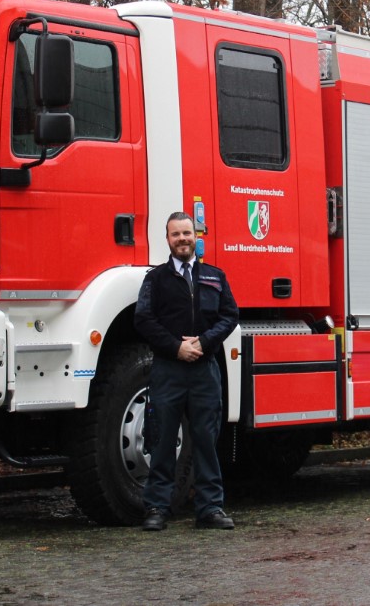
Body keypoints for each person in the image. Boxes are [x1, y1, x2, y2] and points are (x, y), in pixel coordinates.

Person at [134, 211, 240, 530]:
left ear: (197, 237)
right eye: (176, 234)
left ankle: (210, 508)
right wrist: (176, 347)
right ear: (167, 240)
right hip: (169, 369)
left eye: (187, 233)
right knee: (162, 439)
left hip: (205, 370)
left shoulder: (215, 277)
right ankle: (157, 507)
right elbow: (143, 320)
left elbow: (229, 315)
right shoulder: (155, 279)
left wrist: (204, 343)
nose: (182, 239)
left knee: (206, 439)